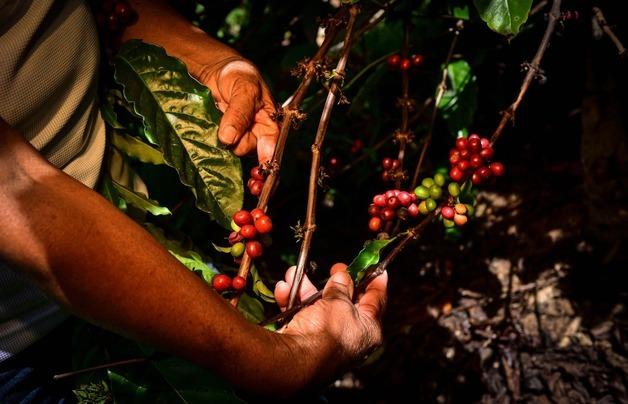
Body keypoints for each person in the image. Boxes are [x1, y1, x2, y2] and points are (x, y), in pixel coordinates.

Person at [0, 0, 388, 399]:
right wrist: (269, 358)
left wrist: (208, 62)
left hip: (135, 259)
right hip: (18, 349)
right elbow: (19, 193)